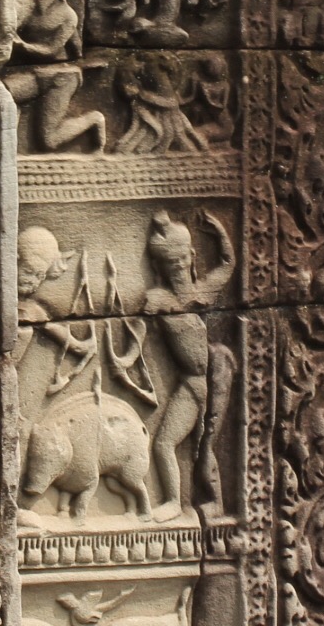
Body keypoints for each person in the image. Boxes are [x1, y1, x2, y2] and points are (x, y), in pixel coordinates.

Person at [141, 212, 236, 521]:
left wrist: (220, 231)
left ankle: (213, 503)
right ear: (160, 269)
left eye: (183, 260)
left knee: (205, 444)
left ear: (193, 256)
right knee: (165, 443)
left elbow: (227, 264)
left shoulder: (202, 291)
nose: (179, 268)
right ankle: (174, 501)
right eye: (172, 264)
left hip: (212, 378)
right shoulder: (158, 299)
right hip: (190, 383)